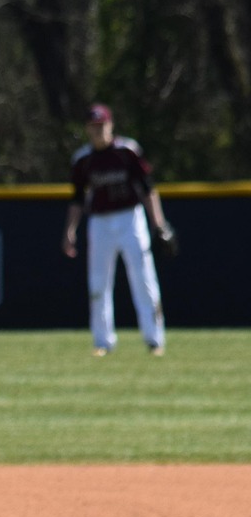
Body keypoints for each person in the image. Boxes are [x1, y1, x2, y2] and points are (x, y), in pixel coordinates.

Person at [64, 102, 174, 355]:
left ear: (111, 125)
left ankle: (155, 339)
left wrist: (159, 224)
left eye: (101, 125)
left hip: (130, 218)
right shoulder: (83, 160)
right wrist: (70, 231)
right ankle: (102, 342)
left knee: (144, 278)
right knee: (98, 282)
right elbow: (77, 198)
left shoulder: (127, 151)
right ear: (86, 129)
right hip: (100, 221)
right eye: (93, 126)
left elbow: (148, 188)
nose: (98, 131)